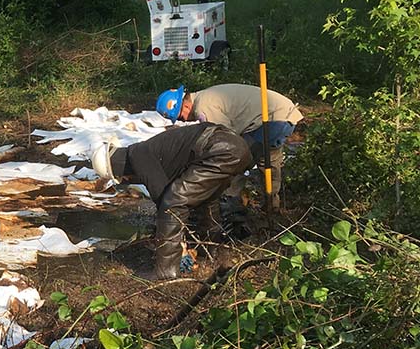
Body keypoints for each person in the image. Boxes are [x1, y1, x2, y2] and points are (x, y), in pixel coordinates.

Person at [92, 122, 252, 280]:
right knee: (205, 200)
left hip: (219, 151)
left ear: (118, 167)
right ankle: (211, 251)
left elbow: (167, 202)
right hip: (233, 147)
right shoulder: (149, 151)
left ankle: (166, 269)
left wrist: (179, 245)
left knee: (173, 200)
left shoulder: (138, 155)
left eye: (122, 177)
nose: (127, 179)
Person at [156, 84, 303, 209]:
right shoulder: (205, 97)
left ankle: (232, 203)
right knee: (269, 162)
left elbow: (228, 142)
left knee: (235, 161)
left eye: (180, 117)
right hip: (281, 113)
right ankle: (272, 205)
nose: (183, 121)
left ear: (186, 105)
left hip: (271, 119)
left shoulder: (203, 107)